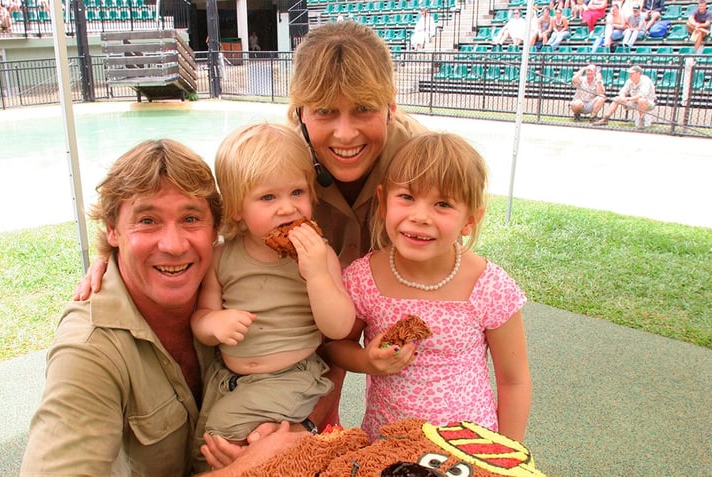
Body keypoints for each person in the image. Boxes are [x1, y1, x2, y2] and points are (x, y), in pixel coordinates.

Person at [75, 20, 430, 467]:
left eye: (363, 110)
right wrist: (116, 256)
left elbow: (447, 224)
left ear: (391, 107)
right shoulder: (283, 158)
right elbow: (215, 212)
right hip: (282, 344)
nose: (344, 134)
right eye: (324, 112)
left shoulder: (416, 164)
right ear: (300, 110)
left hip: (350, 306)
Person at [21, 139, 306, 476]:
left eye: (190, 218)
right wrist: (249, 468)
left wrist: (297, 430)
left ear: (216, 228)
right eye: (147, 220)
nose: (173, 246)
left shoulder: (226, 280)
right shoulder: (89, 349)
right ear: (112, 229)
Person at [323, 131, 532, 441]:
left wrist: (508, 457)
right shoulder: (364, 278)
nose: (420, 216)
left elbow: (514, 380)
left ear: (470, 220)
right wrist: (367, 361)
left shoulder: (488, 286)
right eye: (407, 197)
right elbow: (335, 346)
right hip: (386, 444)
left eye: (443, 204)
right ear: (383, 202)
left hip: (467, 450)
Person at [192, 123, 355, 444]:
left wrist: (318, 275)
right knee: (203, 441)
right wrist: (215, 322)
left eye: (297, 192)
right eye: (268, 197)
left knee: (219, 436)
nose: (287, 207)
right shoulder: (221, 256)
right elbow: (201, 316)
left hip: (293, 377)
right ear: (237, 208)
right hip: (229, 379)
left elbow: (339, 327)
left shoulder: (318, 254)